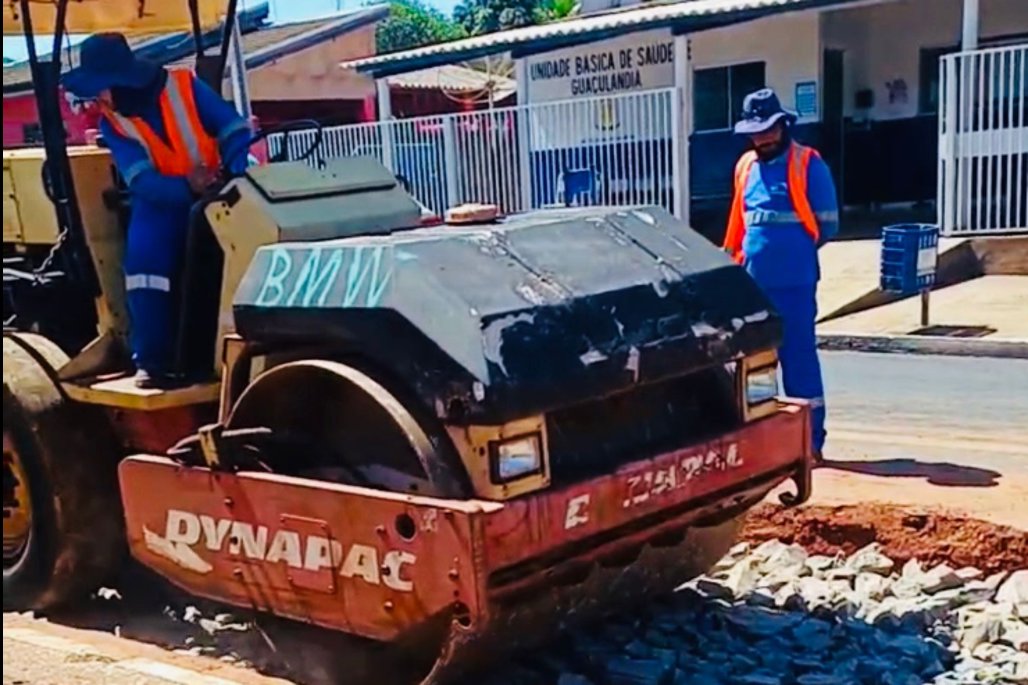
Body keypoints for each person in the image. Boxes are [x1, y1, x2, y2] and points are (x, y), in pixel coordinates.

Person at [63, 33, 251, 389]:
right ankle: (152, 360)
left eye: (101, 87)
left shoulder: (185, 88)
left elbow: (233, 127)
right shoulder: (112, 123)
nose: (98, 98)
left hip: (222, 191)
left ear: (121, 80)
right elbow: (141, 181)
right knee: (144, 265)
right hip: (163, 203)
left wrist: (233, 171)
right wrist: (188, 188)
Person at [722, 88, 839, 462]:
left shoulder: (809, 164)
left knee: (799, 359)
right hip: (752, 284)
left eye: (769, 129)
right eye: (756, 132)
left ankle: (810, 445)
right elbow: (737, 224)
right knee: (754, 365)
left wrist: (791, 254)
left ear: (783, 124)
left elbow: (828, 225)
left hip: (794, 284)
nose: (763, 138)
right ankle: (763, 445)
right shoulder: (745, 167)